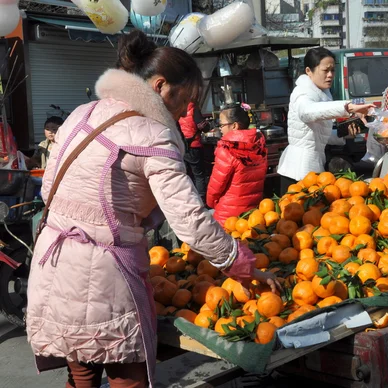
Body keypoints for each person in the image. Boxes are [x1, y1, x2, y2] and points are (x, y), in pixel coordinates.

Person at [26, 30, 278, 388]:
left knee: (81, 374)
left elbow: (49, 187)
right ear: (160, 86)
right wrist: (242, 265)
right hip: (104, 276)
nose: (185, 111)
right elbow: (189, 221)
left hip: (53, 262)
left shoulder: (82, 114)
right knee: (128, 378)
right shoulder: (151, 134)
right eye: (184, 100)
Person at [277, 47, 374, 192]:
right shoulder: (302, 93)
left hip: (313, 167)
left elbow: (319, 136)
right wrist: (350, 108)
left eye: (333, 70)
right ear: (309, 71)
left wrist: (344, 133)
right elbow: (307, 112)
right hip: (299, 170)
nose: (330, 75)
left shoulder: (321, 93)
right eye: (325, 70)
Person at [207, 104, 267, 226]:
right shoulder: (259, 145)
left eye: (222, 125)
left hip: (228, 217)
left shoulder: (227, 149)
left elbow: (215, 188)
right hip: (253, 213)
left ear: (234, 126)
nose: (220, 129)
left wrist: (210, 203)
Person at [179, 102, 211, 201]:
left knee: (187, 174)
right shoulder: (194, 109)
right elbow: (203, 127)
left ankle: (189, 198)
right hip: (194, 146)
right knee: (199, 175)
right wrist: (207, 125)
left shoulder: (179, 108)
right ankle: (201, 199)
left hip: (183, 146)